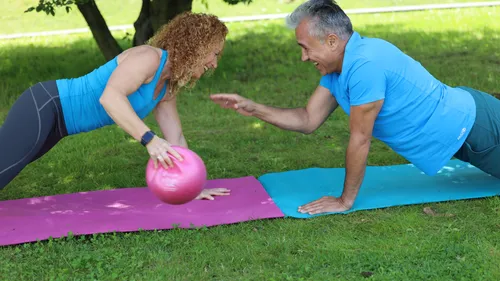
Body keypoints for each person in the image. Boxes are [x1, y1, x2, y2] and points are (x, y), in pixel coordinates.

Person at [210, 0, 500, 214]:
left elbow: (360, 139)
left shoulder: (364, 66)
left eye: (305, 47)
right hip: (467, 128)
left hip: (475, 129)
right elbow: (308, 119)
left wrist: (345, 200)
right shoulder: (339, 69)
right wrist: (253, 108)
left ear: (333, 40)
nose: (302, 57)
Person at [0, 12, 229, 200]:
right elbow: (110, 97)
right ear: (197, 46)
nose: (215, 63)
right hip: (47, 105)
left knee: (8, 164)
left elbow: (176, 138)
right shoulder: (148, 58)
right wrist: (149, 139)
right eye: (214, 53)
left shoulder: (168, 86)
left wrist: (192, 187)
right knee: (5, 167)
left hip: (61, 125)